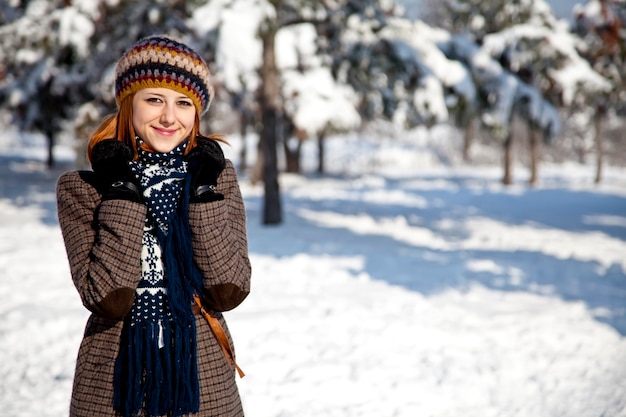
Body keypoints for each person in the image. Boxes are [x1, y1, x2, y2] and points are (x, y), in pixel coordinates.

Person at [56, 34, 251, 417]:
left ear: (197, 113)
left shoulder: (216, 178)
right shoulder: (83, 188)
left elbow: (229, 290)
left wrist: (203, 192)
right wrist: (122, 192)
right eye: (154, 99)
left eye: (183, 103)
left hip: (202, 380)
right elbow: (108, 297)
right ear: (129, 104)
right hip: (113, 383)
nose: (168, 116)